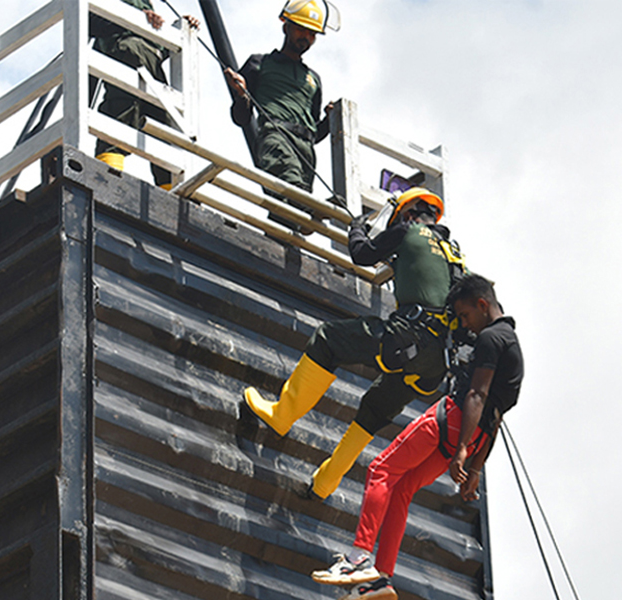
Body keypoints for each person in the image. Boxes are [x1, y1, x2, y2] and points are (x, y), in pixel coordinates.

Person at [242, 188, 467, 499]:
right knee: (375, 409)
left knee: (328, 340)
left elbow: (362, 254)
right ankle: (325, 483)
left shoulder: (407, 230)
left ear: (409, 213)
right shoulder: (455, 256)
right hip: (435, 366)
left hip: (406, 337)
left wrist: (357, 228)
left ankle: (282, 415)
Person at [309, 275, 524, 600]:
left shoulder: (491, 338)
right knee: (403, 489)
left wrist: (463, 450)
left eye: (465, 315)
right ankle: (380, 580)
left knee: (381, 470)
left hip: (453, 422)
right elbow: (497, 415)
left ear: (483, 304)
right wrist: (476, 465)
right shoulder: (513, 345)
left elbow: (477, 396)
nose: (464, 323)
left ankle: (357, 559)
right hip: (476, 435)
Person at [223, 1, 340, 221]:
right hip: (276, 136)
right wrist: (241, 95)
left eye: (312, 33)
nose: (305, 36)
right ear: (285, 26)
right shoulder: (260, 63)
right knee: (291, 183)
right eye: (300, 29)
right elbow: (241, 118)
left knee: (287, 214)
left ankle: (281, 240)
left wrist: (328, 120)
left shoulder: (313, 80)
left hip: (305, 150)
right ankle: (308, 212)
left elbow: (314, 132)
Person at [89, 1, 199, 189]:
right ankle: (107, 176)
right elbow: (92, 20)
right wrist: (139, 16)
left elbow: (158, 45)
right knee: (122, 109)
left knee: (162, 126)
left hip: (151, 61)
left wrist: (179, 30)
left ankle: (169, 190)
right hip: (126, 49)